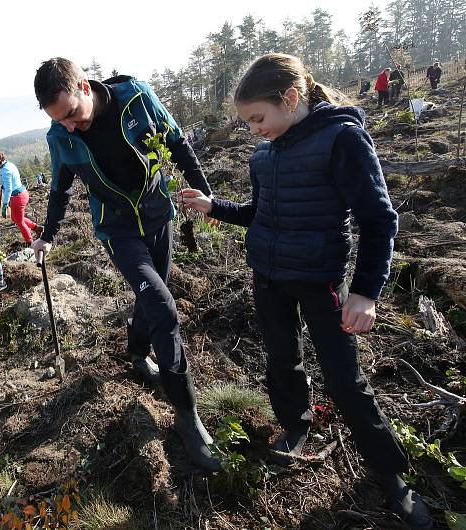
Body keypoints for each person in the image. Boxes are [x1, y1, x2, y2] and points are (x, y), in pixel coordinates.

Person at [178, 53, 432, 529]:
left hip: (320, 281)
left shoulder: (342, 139)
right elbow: (260, 212)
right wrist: (214, 207)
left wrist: (365, 292)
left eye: (258, 118)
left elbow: (379, 220)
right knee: (281, 357)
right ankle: (296, 423)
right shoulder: (265, 153)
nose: (253, 129)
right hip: (269, 277)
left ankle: (392, 474)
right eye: (247, 122)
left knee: (344, 380)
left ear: (291, 99)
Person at [31, 57, 220, 471]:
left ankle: (136, 353)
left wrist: (206, 195)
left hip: (157, 216)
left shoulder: (135, 96)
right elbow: (60, 188)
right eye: (56, 120)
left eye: (70, 115)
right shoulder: (60, 135)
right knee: (163, 306)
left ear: (84, 86)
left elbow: (177, 143)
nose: (67, 126)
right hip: (117, 230)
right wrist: (47, 234)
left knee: (150, 299)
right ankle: (187, 416)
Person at [0, 151, 42, 244]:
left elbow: (9, 189)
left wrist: (5, 204)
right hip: (21, 193)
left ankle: (29, 241)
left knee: (19, 221)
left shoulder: (5, 170)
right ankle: (36, 228)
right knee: (15, 218)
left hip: (18, 197)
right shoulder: (8, 164)